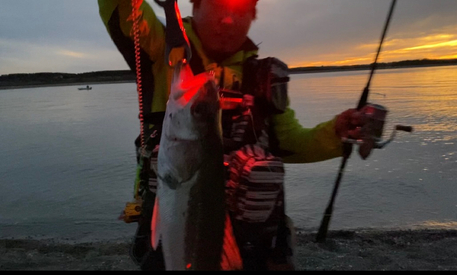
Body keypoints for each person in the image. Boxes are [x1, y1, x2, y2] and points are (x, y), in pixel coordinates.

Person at [98, 0, 366, 270]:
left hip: (257, 243)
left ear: (252, 16)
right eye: (218, 5)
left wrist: (336, 133)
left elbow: (289, 144)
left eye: (239, 11)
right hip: (175, 234)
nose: (228, 21)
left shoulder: (264, 77)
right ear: (196, 5)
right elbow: (119, 8)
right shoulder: (163, 48)